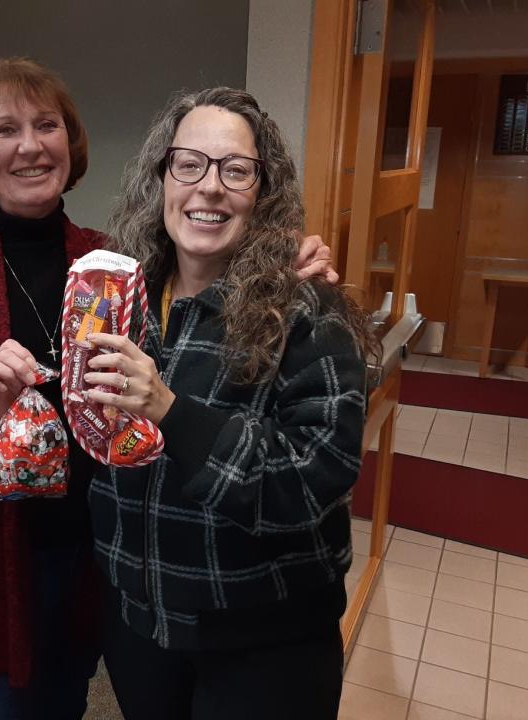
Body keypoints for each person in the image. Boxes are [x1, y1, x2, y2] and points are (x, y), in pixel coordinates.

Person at [0, 58, 338, 720]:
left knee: (68, 704)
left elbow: (209, 258)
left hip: (102, 559)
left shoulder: (119, 260)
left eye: (46, 125)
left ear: (68, 143)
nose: (29, 145)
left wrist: (289, 254)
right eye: (5, 129)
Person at [82, 87, 375, 720]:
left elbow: (312, 480)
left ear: (262, 193)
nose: (209, 187)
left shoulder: (308, 313)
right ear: (160, 178)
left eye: (235, 171)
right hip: (141, 625)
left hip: (264, 644)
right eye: (188, 164)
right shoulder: (117, 299)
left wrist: (170, 409)